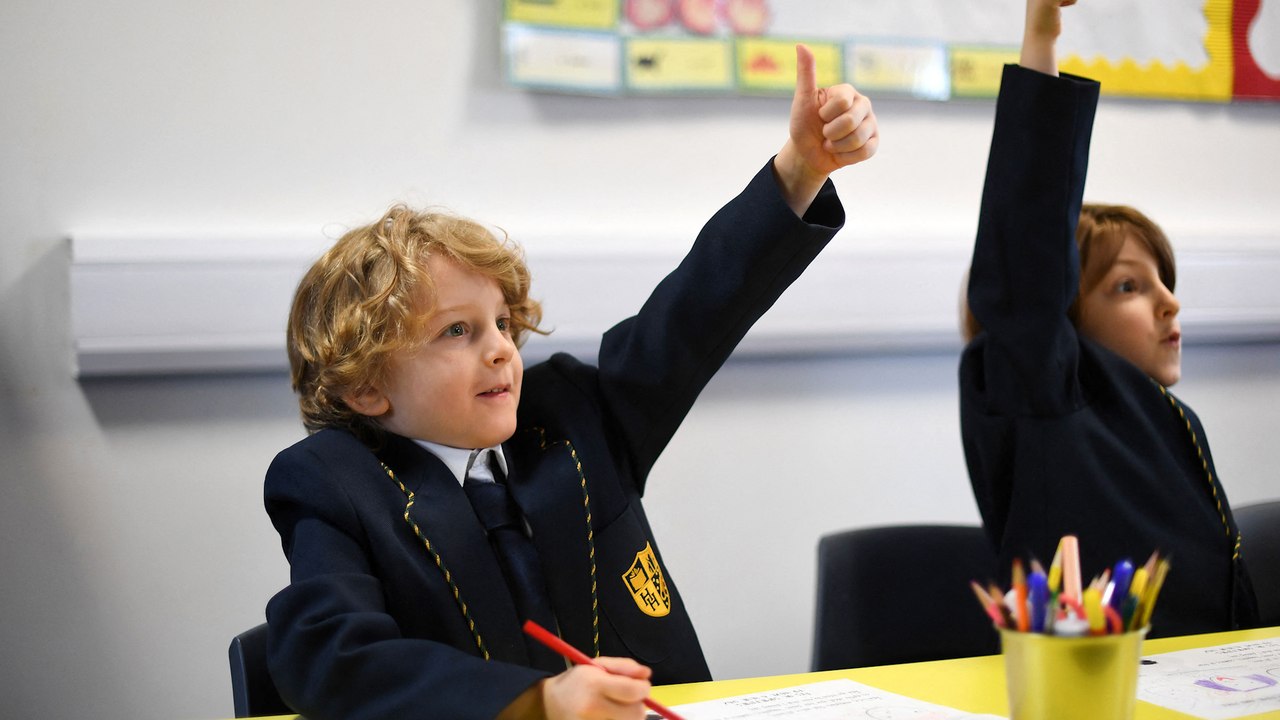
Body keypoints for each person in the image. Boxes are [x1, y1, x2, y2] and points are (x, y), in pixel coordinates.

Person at [264, 44, 878, 720]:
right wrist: (538, 702)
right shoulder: (334, 484)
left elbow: (692, 315)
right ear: (365, 387)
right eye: (457, 331)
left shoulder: (572, 415)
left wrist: (799, 171)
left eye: (502, 323)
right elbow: (328, 654)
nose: (501, 350)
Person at [960, 0, 1258, 637]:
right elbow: (1026, 247)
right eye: (1129, 286)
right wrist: (1042, 38)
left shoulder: (1166, 416)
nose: (1170, 302)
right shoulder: (1044, 392)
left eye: (1164, 282)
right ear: (1063, 315)